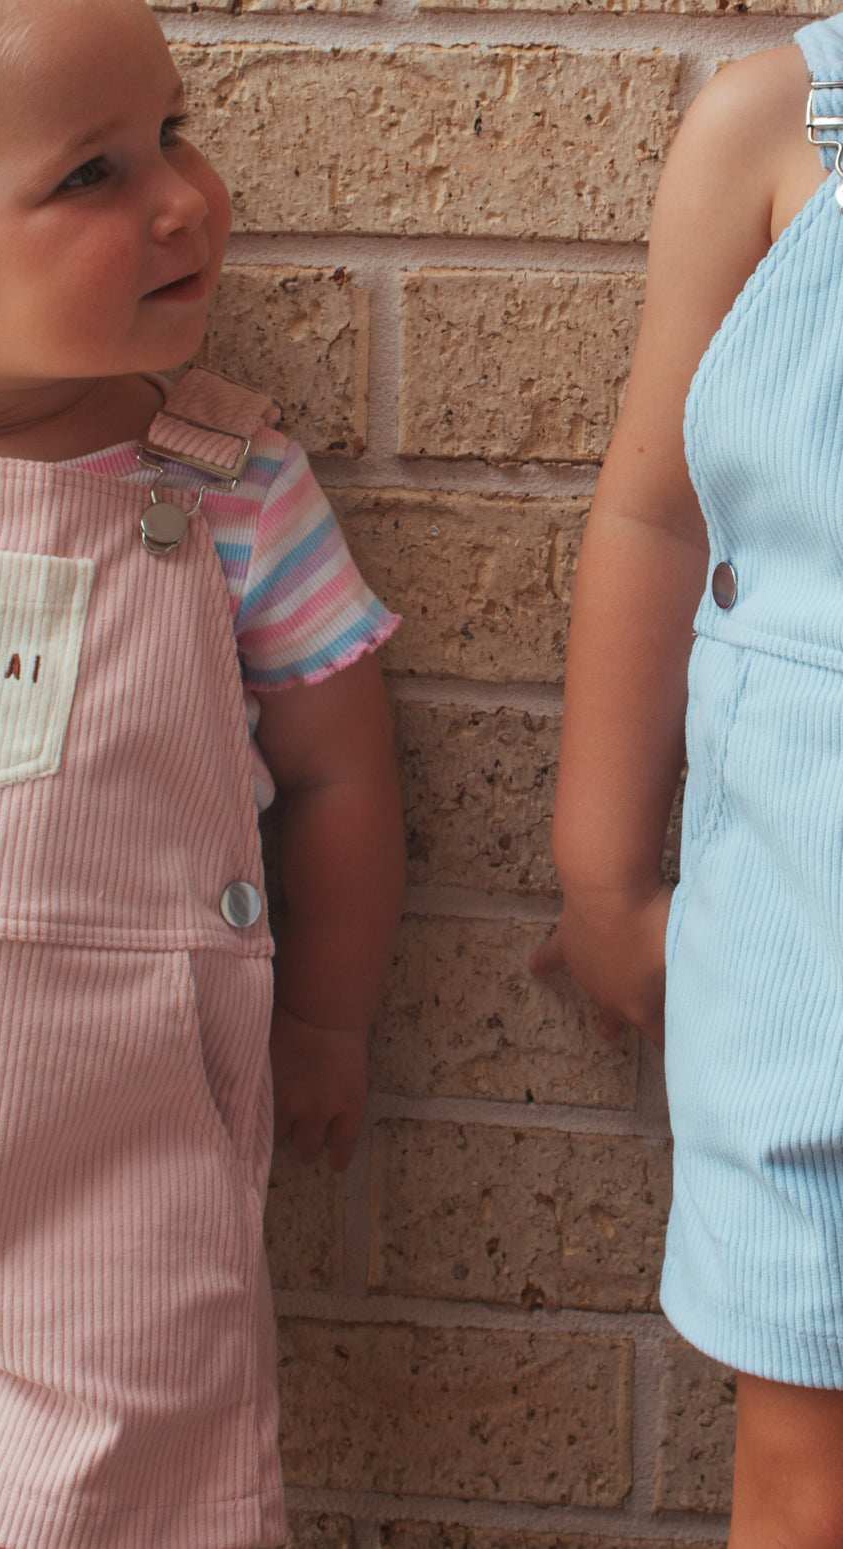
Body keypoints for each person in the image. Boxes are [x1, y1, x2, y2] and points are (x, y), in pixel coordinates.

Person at [0, 2, 405, 1548]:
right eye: (91, 173)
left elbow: (342, 780)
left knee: (113, 1504)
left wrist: (330, 1018)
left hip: (102, 1152)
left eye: (174, 128)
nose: (182, 196)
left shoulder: (226, 489)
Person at [532, 12, 843, 1547]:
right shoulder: (779, 124)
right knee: (811, 1462)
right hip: (813, 979)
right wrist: (603, 874)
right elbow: (659, 513)